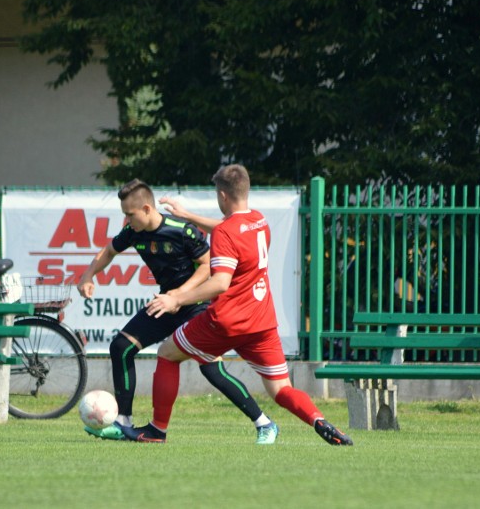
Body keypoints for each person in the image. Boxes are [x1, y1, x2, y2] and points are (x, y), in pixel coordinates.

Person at [123, 164, 353, 445]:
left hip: (227, 321)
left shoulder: (226, 233)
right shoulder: (259, 221)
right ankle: (318, 420)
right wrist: (187, 217)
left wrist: (175, 298)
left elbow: (220, 282)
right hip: (262, 322)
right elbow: (230, 229)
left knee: (167, 352)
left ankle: (156, 430)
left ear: (222, 196)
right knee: (281, 389)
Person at [77, 179, 277, 444]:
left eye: (129, 214)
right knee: (121, 347)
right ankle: (123, 422)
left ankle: (264, 423)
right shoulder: (133, 232)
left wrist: (180, 296)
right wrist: (88, 275)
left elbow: (208, 267)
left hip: (197, 305)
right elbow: (109, 251)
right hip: (167, 303)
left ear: (147, 208)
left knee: (211, 369)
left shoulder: (181, 230)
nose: (126, 219)